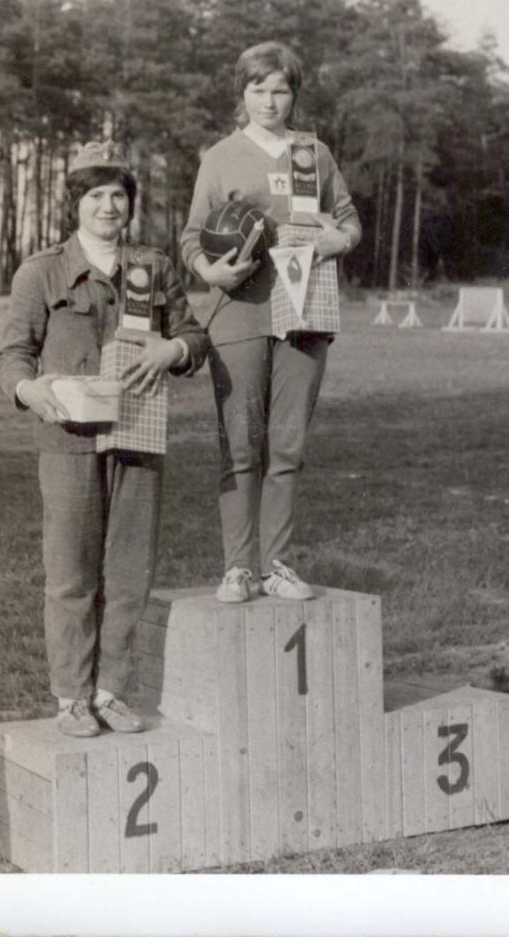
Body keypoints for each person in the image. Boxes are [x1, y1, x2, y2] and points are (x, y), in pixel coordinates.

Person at [0, 141, 208, 738]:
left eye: (118, 194)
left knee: (129, 572)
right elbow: (13, 354)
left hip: (138, 436)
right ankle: (71, 697)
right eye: (95, 195)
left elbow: (194, 336)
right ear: (76, 203)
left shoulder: (152, 267)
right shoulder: (41, 271)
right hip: (68, 439)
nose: (108, 206)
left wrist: (173, 349)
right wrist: (28, 390)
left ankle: (112, 692)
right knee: (71, 573)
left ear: (130, 203)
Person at [181, 41, 361, 605]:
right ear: (242, 92)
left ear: (294, 94)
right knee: (240, 445)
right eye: (258, 89)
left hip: (306, 310)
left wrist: (338, 241)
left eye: (280, 89)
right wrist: (211, 270)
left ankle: (276, 564)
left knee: (286, 446)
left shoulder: (315, 153)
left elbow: (349, 221)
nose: (269, 101)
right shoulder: (220, 157)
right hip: (239, 313)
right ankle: (238, 568)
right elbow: (191, 238)